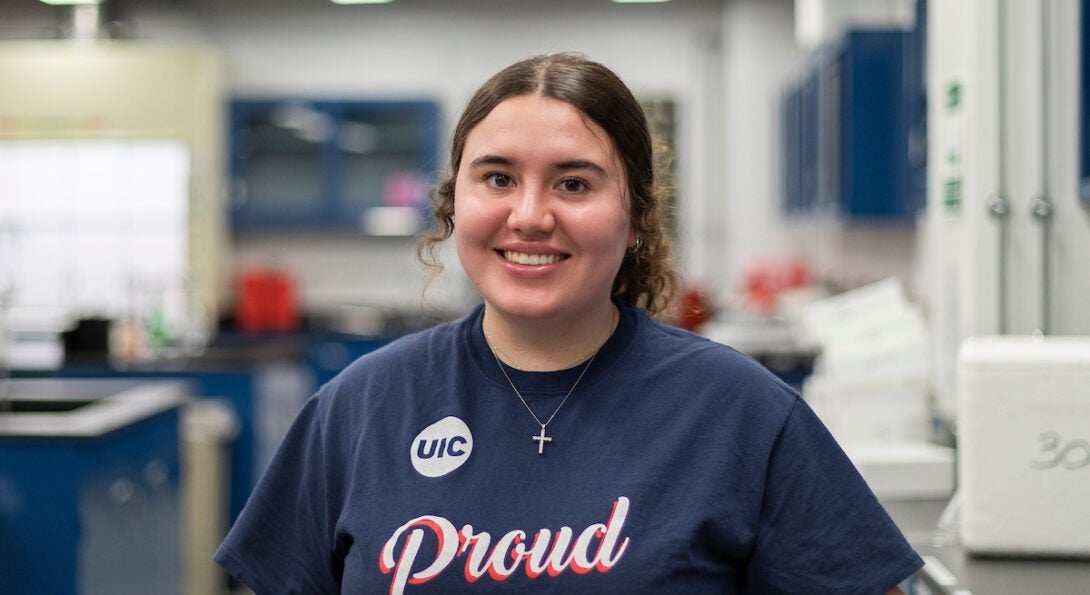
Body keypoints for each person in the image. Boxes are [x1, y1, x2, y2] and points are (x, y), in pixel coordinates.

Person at [215, 52, 923, 594]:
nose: (529, 214)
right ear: (453, 203)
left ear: (639, 217)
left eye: (574, 183)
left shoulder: (742, 414)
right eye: (497, 178)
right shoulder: (361, 406)